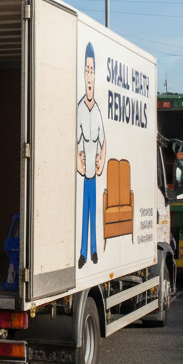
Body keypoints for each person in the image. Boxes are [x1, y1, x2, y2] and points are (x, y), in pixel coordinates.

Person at [77, 43, 106, 268]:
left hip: (93, 177)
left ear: (95, 76)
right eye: (86, 70)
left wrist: (100, 164)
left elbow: (103, 142)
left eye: (91, 70)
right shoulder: (79, 110)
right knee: (84, 214)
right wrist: (79, 164)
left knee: (93, 213)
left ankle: (94, 250)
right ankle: (83, 252)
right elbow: (73, 142)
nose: (89, 76)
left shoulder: (97, 111)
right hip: (82, 174)